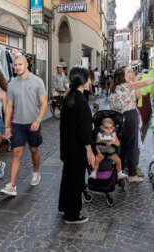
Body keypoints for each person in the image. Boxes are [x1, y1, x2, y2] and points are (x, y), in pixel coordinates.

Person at [1, 55, 48, 196]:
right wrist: (7, 126)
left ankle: (36, 172)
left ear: (26, 64)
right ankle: (12, 185)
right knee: (16, 153)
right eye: (15, 65)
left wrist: (38, 120)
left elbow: (44, 103)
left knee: (34, 150)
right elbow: (9, 106)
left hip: (33, 123)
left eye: (20, 64)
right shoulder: (11, 84)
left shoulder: (37, 81)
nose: (17, 67)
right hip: (17, 124)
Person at [59, 66, 95, 224]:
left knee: (67, 178)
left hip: (67, 146)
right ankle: (72, 215)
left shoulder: (69, 97)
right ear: (85, 81)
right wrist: (89, 150)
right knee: (76, 181)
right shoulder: (81, 101)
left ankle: (63, 207)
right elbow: (84, 131)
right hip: (78, 148)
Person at [109, 67, 154, 183]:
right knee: (132, 146)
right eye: (128, 72)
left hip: (120, 117)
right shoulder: (127, 85)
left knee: (123, 146)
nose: (131, 72)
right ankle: (132, 175)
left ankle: (119, 172)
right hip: (130, 115)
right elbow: (145, 83)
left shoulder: (115, 87)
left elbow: (112, 107)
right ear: (122, 76)